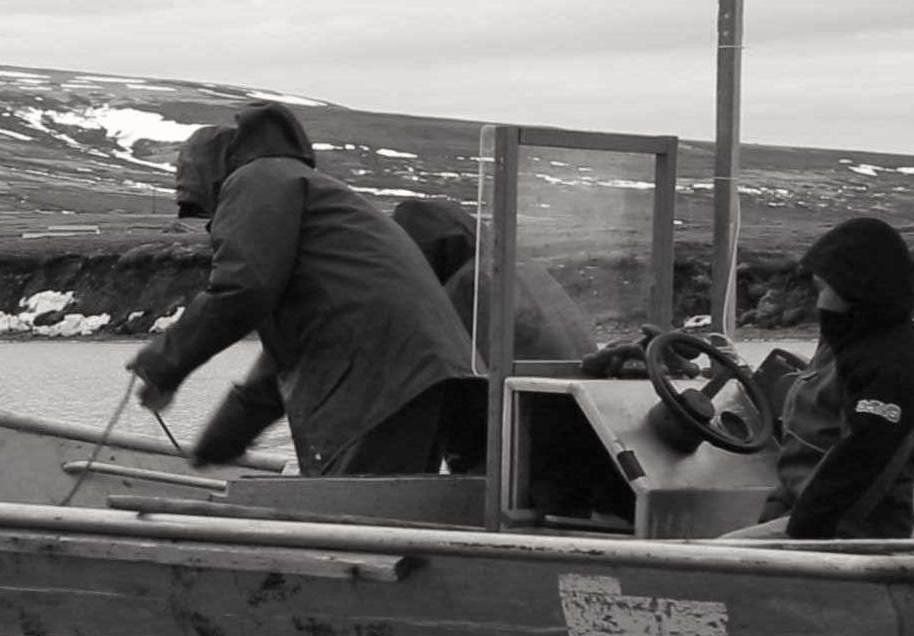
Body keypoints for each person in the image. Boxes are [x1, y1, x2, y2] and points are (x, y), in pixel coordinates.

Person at [128, 102, 478, 476]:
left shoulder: (256, 182)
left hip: (379, 378)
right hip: (421, 375)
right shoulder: (301, 191)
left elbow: (241, 291)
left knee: (357, 517)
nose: (215, 224)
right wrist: (221, 441)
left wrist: (162, 366)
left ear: (214, 180)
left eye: (208, 211)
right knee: (391, 509)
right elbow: (284, 355)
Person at [727, 216, 914, 539]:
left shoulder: (891, 369)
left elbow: (860, 469)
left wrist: (800, 539)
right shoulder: (848, 344)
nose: (819, 303)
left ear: (856, 291)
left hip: (862, 536)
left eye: (823, 289)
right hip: (802, 513)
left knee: (704, 559)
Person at [388, 199, 600, 472]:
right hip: (583, 418)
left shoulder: (468, 285)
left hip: (538, 440)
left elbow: (453, 383)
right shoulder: (513, 266)